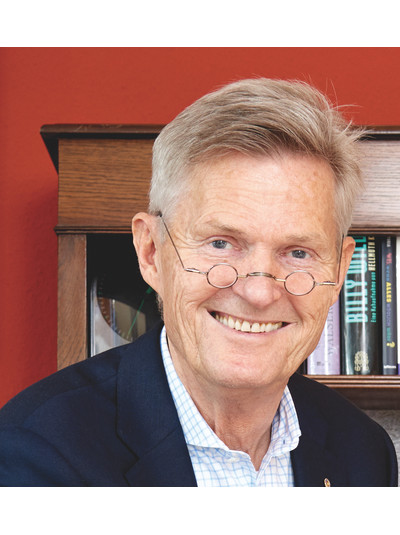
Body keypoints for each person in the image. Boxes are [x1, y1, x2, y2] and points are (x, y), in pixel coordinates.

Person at [0, 78, 397, 486]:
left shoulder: (366, 454)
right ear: (151, 252)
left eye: (298, 253)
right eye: (221, 243)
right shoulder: (37, 452)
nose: (259, 292)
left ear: (338, 272)